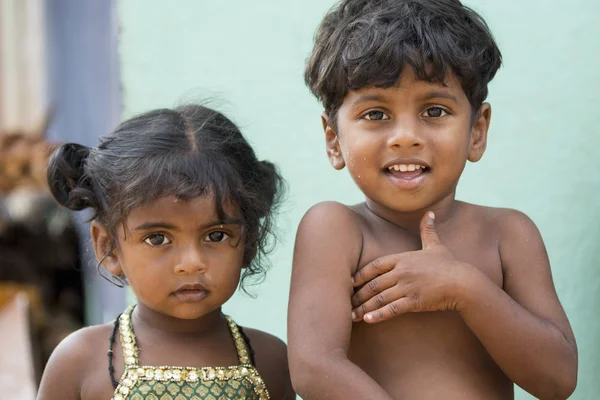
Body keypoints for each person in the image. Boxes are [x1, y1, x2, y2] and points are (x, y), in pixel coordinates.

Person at [287, 1, 578, 399]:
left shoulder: (507, 234)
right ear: (333, 139)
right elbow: (314, 368)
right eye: (375, 114)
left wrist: (464, 288)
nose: (405, 136)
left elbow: (558, 380)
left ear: (477, 131)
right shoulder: (335, 230)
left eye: (435, 110)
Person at [37, 104, 294, 400]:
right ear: (108, 248)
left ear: (249, 242)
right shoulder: (80, 361)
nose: (192, 263)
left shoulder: (271, 361)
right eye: (158, 238)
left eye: (216, 235)